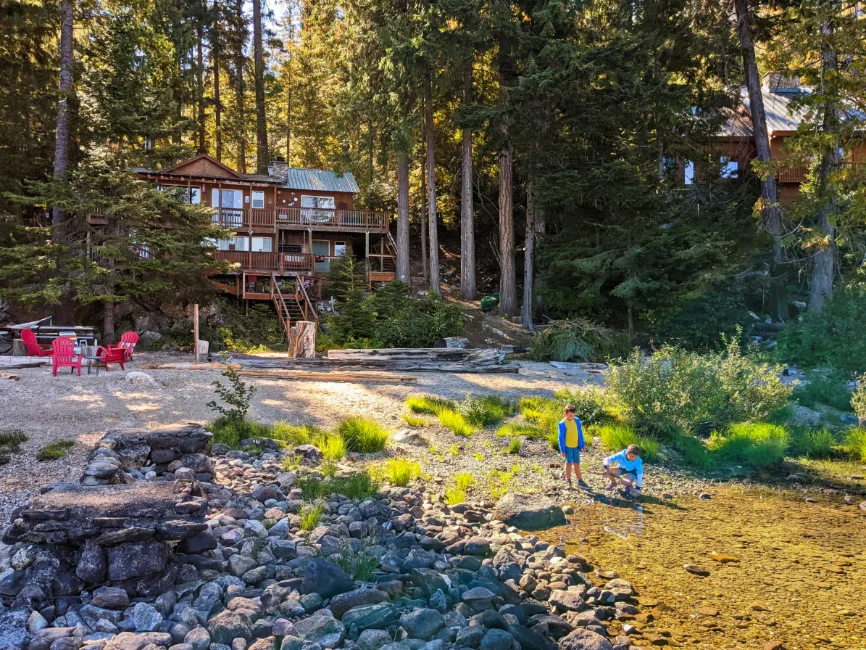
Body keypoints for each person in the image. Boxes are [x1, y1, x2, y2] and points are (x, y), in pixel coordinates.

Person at [558, 405, 588, 489]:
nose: (572, 417)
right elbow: (560, 438)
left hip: (576, 446)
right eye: (570, 415)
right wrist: (562, 450)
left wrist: (582, 445)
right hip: (568, 447)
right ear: (565, 414)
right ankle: (568, 480)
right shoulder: (562, 423)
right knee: (568, 463)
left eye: (574, 415)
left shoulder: (577, 421)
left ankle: (580, 481)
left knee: (577, 463)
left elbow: (580, 434)